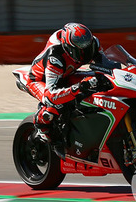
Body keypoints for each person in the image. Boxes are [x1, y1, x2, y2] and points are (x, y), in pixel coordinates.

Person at [25, 23, 106, 157]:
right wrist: (77, 88)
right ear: (68, 47)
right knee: (54, 104)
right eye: (80, 50)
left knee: (97, 86)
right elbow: (51, 94)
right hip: (40, 80)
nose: (84, 53)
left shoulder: (93, 43)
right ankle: (44, 129)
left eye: (87, 48)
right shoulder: (55, 56)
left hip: (67, 74)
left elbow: (105, 64)